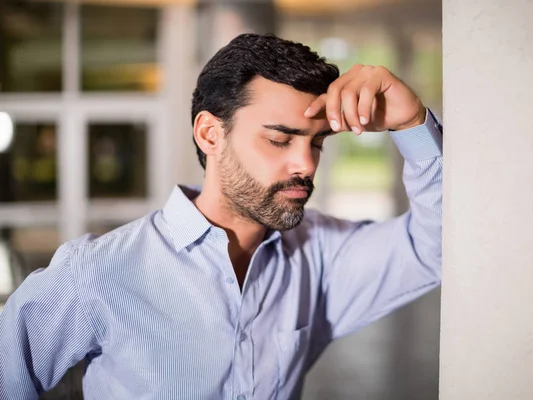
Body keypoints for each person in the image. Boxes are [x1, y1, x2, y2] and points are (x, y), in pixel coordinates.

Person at [0, 33, 442, 400]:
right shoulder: (97, 271)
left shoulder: (319, 255)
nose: (306, 165)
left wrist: (412, 124)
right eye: (279, 140)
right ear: (211, 134)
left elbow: (438, 245)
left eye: (317, 143)